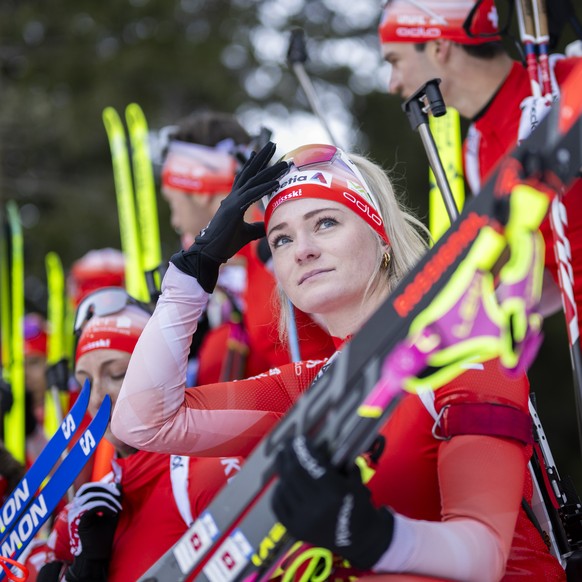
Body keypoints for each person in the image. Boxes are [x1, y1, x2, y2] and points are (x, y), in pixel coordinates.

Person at [112, 142, 563, 580]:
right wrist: (196, 269)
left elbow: (484, 557)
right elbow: (143, 422)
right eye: (281, 238)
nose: (301, 249)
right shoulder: (308, 388)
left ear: (380, 233)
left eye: (325, 222)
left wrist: (369, 533)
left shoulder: (460, 351)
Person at [378, 0, 582, 318]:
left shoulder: (568, 81)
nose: (393, 84)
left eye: (395, 61)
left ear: (438, 46)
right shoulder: (475, 152)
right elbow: (551, 271)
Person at [29, 288, 242, 582]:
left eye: (117, 373)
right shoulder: (82, 514)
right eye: (85, 383)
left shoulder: (204, 475)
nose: (97, 397)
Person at [160, 110, 335, 384]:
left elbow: (362, 336)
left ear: (201, 191)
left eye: (173, 204)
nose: (174, 221)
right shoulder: (243, 263)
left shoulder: (278, 246)